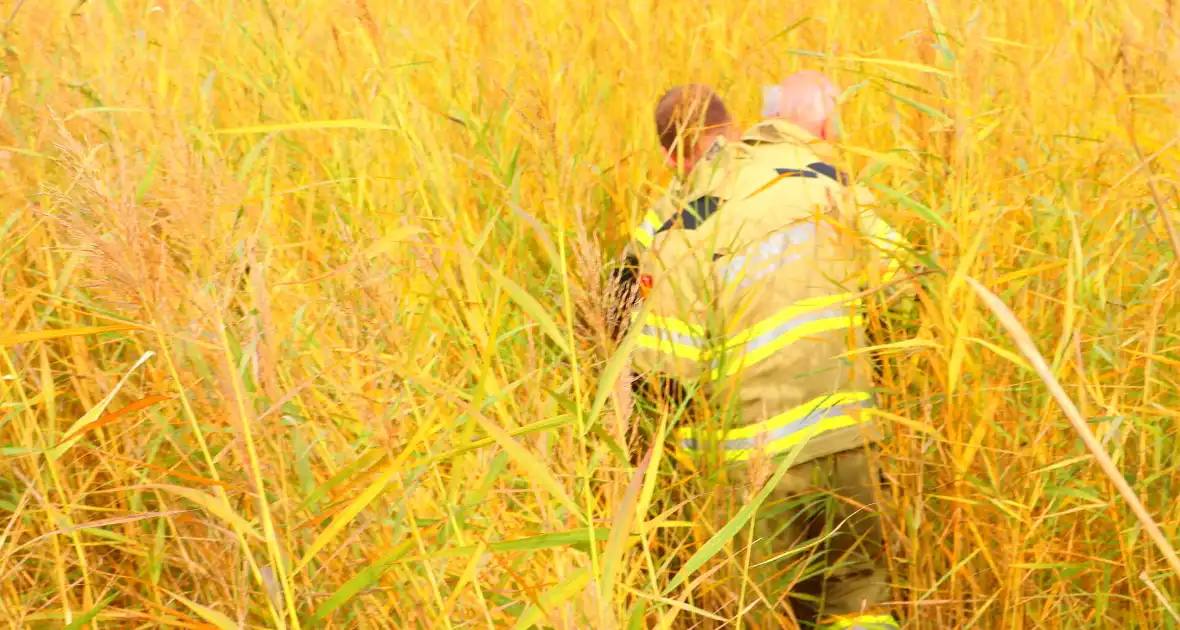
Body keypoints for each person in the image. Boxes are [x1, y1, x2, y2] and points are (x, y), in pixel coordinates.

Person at [624, 73, 911, 629]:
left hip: (753, 470)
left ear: (673, 157)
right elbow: (905, 292)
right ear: (732, 128)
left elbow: (663, 372)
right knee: (859, 599)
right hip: (848, 438)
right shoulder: (822, 180)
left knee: (763, 612)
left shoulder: (683, 226)